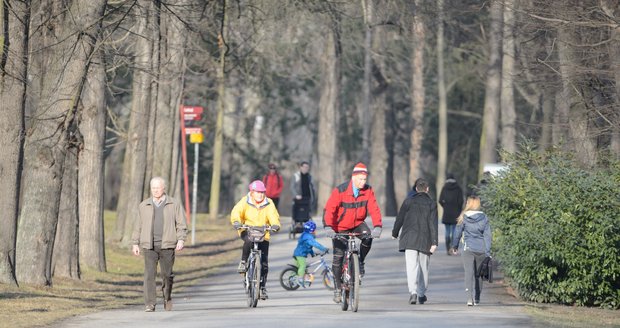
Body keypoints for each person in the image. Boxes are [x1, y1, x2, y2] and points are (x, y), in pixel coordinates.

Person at [323, 162, 383, 303]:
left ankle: (360, 261)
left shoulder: (368, 190)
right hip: (340, 226)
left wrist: (378, 226)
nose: (363, 182)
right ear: (353, 178)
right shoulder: (341, 190)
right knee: (338, 258)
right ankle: (338, 289)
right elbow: (329, 209)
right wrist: (328, 227)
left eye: (365, 179)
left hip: (357, 224)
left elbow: (374, 208)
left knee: (368, 238)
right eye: (361, 179)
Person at [131, 177, 187, 312]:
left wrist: (181, 239)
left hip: (167, 245)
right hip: (149, 245)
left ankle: (167, 297)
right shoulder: (144, 205)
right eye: (153, 188)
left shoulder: (174, 204)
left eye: (158, 187)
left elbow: (181, 224)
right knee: (149, 275)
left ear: (164, 188)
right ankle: (150, 303)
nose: (155, 190)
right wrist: (135, 243)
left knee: (167, 275)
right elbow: (137, 226)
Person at [230, 180, 281, 300]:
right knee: (248, 241)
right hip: (247, 229)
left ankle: (262, 287)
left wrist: (275, 225)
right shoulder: (245, 201)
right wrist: (237, 222)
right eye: (258, 192)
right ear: (252, 192)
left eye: (262, 192)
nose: (261, 195)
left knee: (264, 263)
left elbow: (274, 215)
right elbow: (236, 212)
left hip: (263, 233)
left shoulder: (269, 203)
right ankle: (243, 262)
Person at [391, 178, 438, 305]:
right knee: (424, 268)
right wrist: (434, 242)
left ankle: (413, 293)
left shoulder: (408, 202)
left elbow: (399, 218)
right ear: (427, 189)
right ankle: (422, 294)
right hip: (425, 240)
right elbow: (433, 224)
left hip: (409, 239)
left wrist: (395, 233)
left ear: (416, 189)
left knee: (411, 267)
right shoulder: (432, 204)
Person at [451, 195, 492, 306]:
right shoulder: (484, 217)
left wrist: (454, 246)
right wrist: (488, 252)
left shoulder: (464, 217)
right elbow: (488, 236)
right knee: (479, 274)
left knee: (468, 273)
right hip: (481, 249)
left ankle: (469, 298)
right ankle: (477, 297)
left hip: (468, 248)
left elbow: (457, 233)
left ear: (468, 203)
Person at [292, 221, 329, 287]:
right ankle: (300, 279)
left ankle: (294, 278)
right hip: (300, 254)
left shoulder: (306, 234)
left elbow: (308, 247)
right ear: (312, 230)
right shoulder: (308, 237)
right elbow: (315, 244)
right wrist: (324, 248)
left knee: (299, 267)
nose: (315, 231)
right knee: (303, 266)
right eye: (314, 229)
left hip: (299, 253)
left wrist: (313, 253)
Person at [438, 174, 464, 255]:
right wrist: (459, 209)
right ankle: (452, 248)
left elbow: (440, 200)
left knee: (447, 231)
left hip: (447, 212)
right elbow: (461, 201)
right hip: (455, 212)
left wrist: (445, 206)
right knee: (453, 231)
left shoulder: (444, 188)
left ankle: (447, 248)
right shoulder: (458, 188)